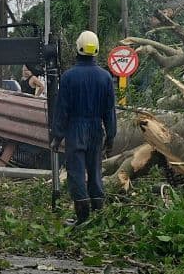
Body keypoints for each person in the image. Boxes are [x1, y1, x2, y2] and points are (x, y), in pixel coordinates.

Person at [50, 30, 117, 225]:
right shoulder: (105, 77)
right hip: (96, 129)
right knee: (95, 171)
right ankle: (98, 215)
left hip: (75, 129)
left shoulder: (69, 77)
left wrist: (57, 136)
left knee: (77, 172)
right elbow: (110, 111)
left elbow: (62, 109)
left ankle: (82, 217)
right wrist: (111, 136)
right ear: (96, 50)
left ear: (78, 48)